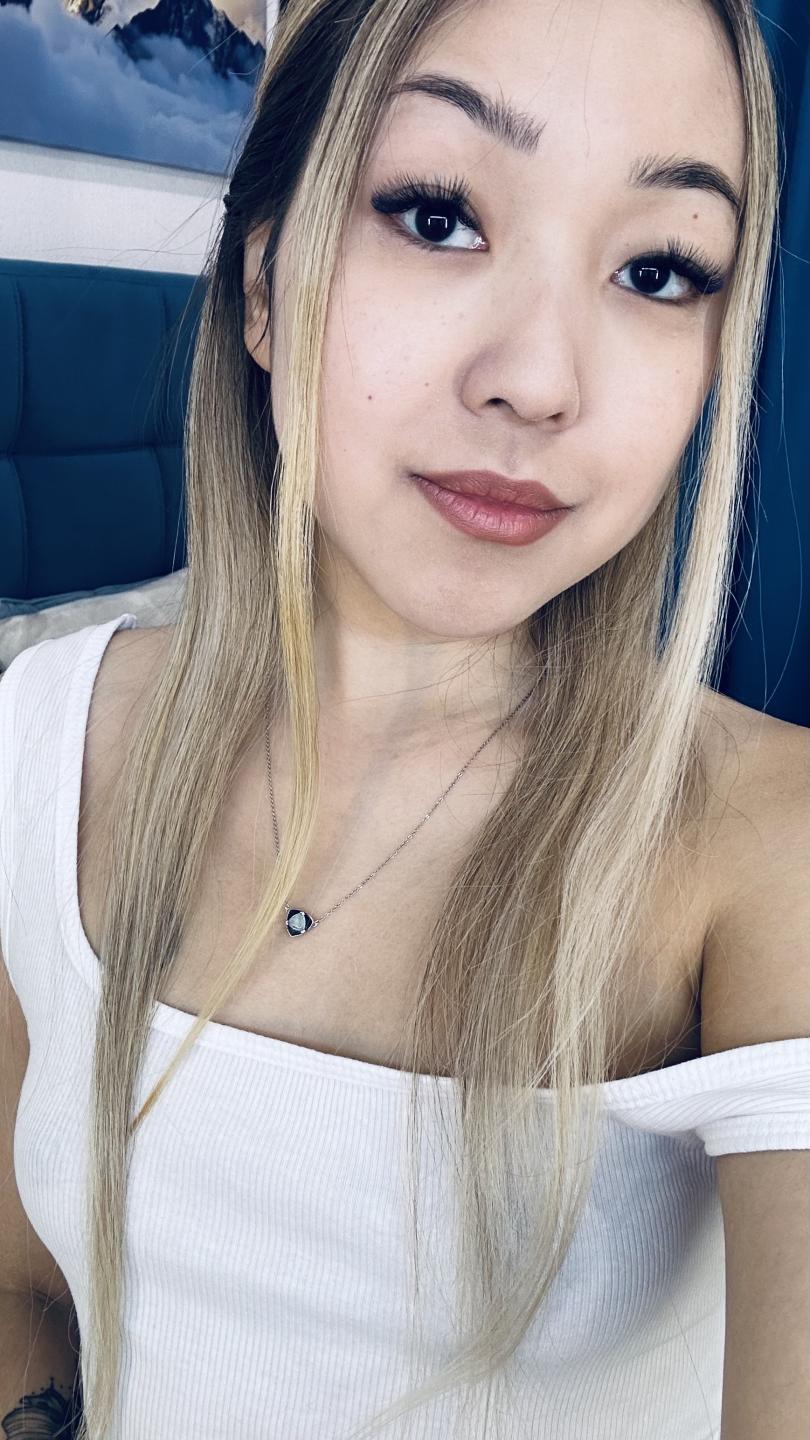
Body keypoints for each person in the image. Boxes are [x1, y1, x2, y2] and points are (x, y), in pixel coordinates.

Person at [1, 0, 808, 1436]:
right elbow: (21, 1287)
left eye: (658, 270)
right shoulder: (41, 737)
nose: (537, 382)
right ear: (264, 286)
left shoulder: (761, 846)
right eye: (437, 216)